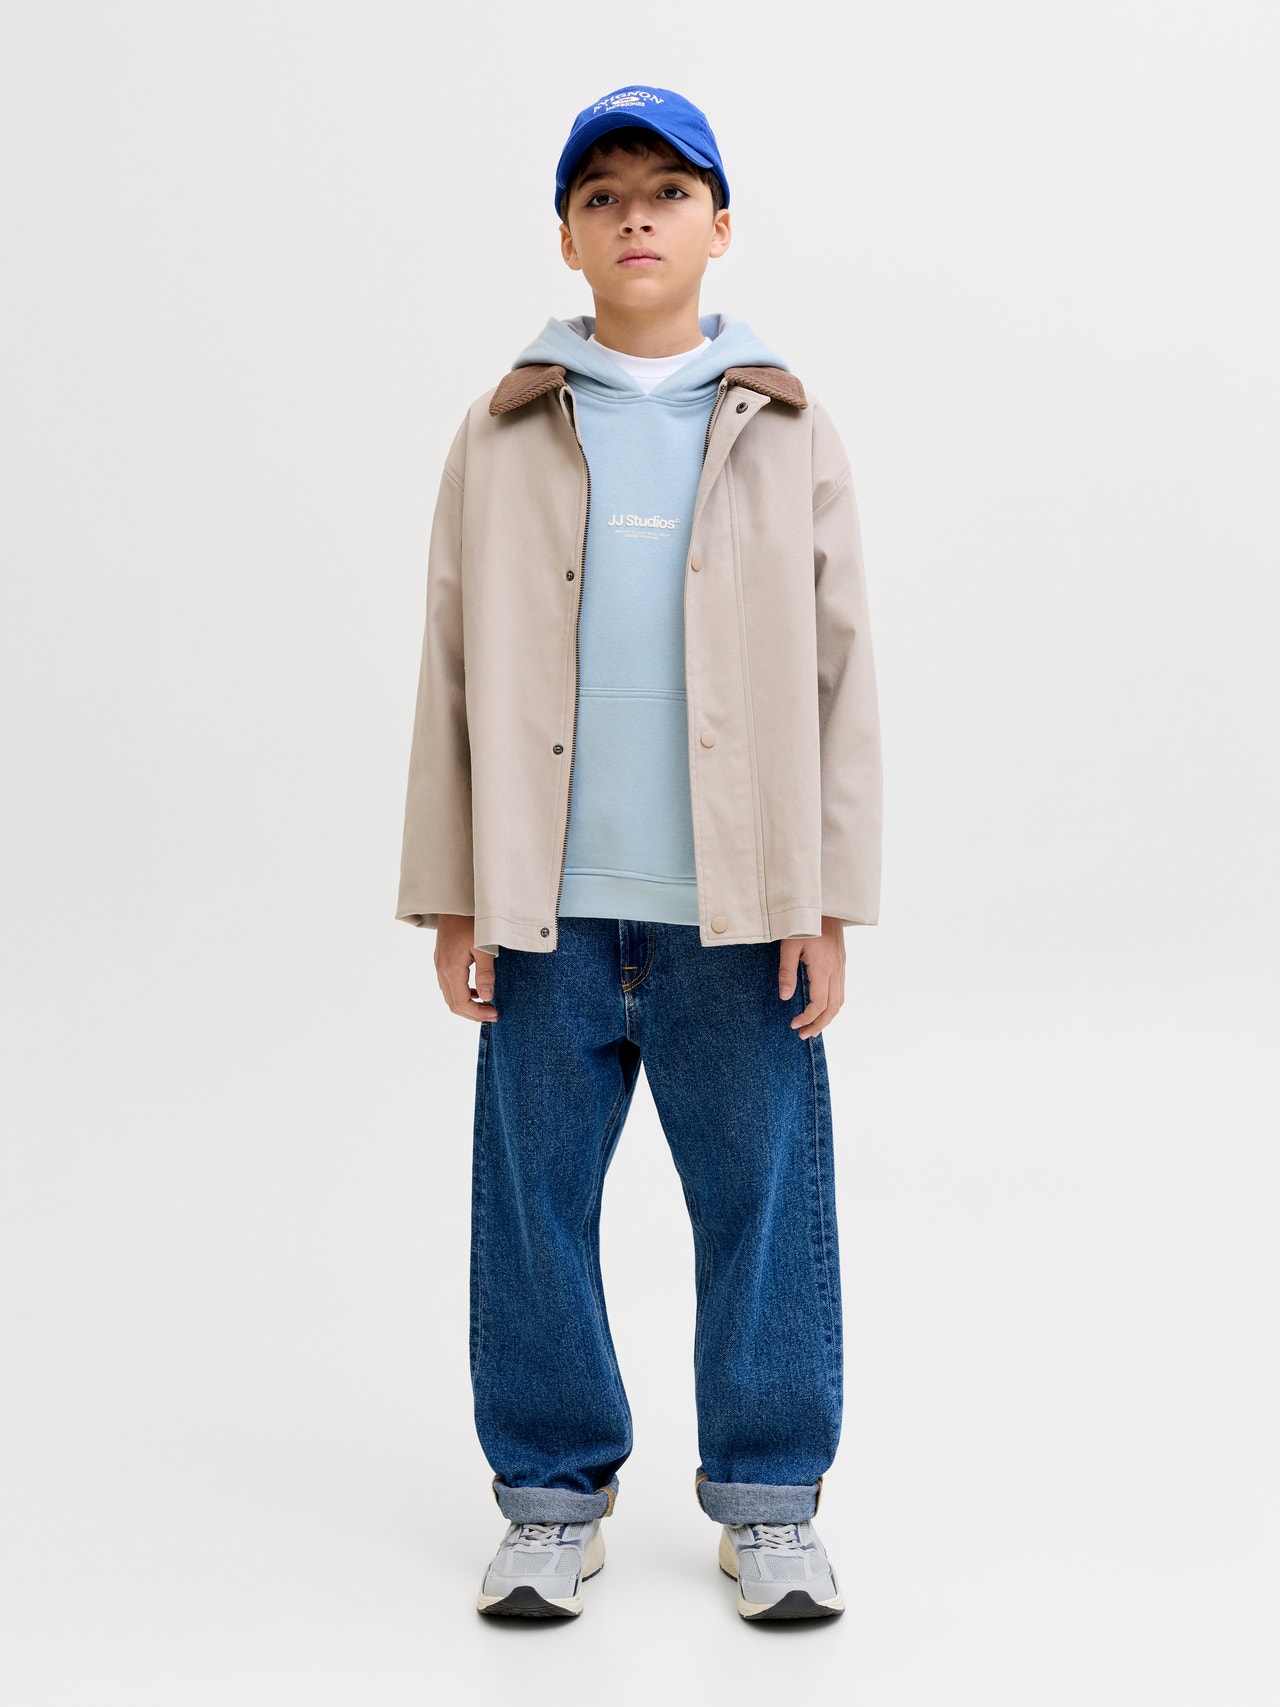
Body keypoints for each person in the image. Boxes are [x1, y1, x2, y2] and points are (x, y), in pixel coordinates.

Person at [396, 83, 882, 1622]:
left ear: (718, 226)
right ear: (568, 236)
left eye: (666, 193)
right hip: (546, 906)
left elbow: (842, 675)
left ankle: (769, 1504)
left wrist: (827, 899)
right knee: (533, 1216)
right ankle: (550, 1501)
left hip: (736, 913)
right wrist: (454, 892)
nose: (635, 219)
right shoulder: (504, 429)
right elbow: (452, 666)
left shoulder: (787, 425)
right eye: (601, 197)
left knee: (764, 1210)